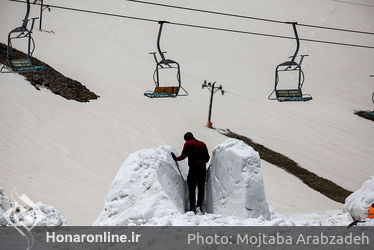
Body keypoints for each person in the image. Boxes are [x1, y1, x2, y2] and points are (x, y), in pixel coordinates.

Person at [173, 132, 210, 213]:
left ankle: (192, 207)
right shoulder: (202, 144)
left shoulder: (187, 144)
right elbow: (207, 157)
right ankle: (199, 206)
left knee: (191, 187)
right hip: (202, 168)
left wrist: (176, 159)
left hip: (193, 168)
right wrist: (202, 162)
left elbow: (183, 156)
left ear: (186, 139)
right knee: (201, 187)